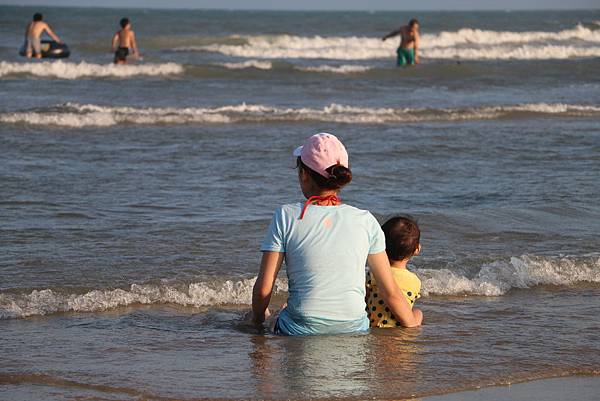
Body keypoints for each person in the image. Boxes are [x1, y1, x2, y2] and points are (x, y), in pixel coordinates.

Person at [251, 133, 422, 336]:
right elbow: (390, 291)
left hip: (300, 330)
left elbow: (263, 289)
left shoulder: (286, 215)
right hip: (353, 328)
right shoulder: (366, 220)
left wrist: (258, 323)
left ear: (304, 175)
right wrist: (412, 325)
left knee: (267, 317)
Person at [366, 216, 423, 328]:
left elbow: (366, 299)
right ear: (417, 249)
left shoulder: (373, 274)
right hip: (400, 325)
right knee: (418, 312)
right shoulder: (414, 281)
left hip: (373, 323)